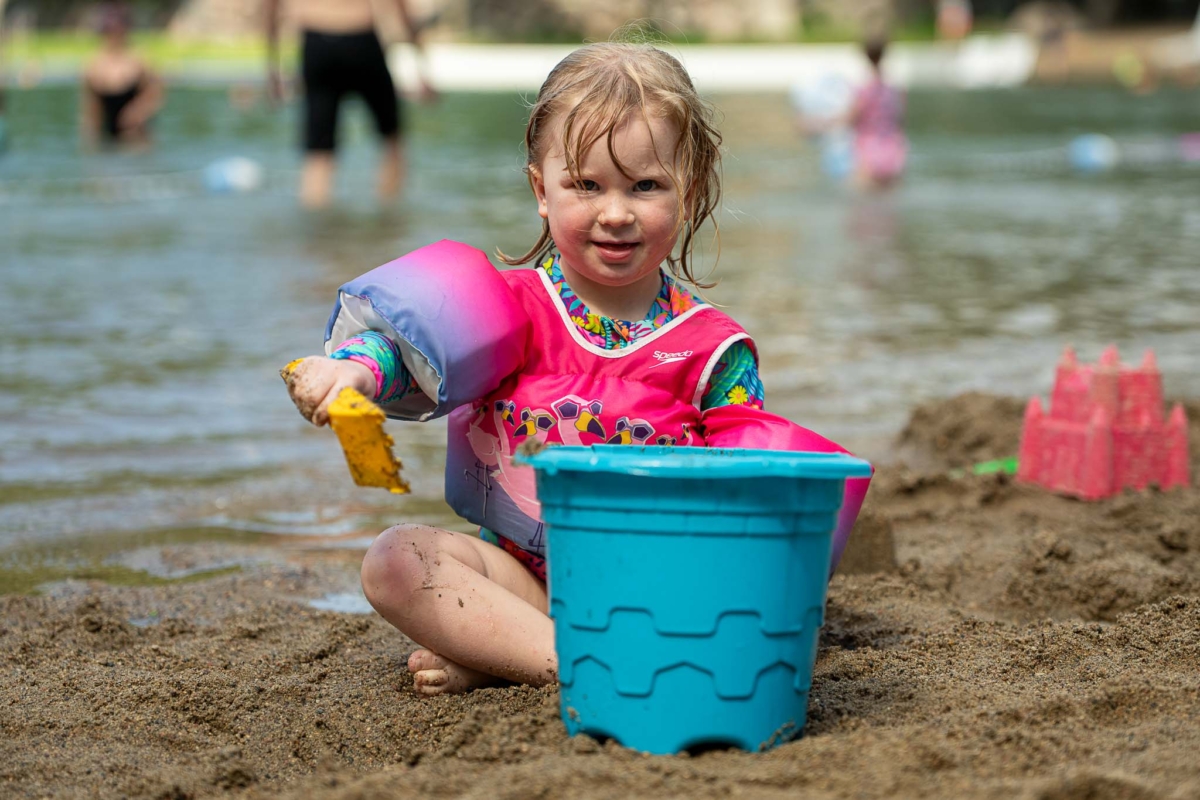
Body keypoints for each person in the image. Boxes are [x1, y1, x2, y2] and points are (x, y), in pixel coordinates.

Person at [283, 41, 777, 696]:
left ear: (689, 192)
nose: (615, 212)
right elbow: (409, 353)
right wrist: (354, 374)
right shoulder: (508, 308)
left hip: (655, 599)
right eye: (586, 185)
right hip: (523, 586)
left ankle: (521, 661)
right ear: (542, 190)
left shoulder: (713, 352)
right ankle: (556, 656)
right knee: (397, 561)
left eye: (646, 185)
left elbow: (755, 495)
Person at [264, 0, 435, 209]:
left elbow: (270, 6)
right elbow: (400, 6)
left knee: (318, 152)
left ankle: (316, 230)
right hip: (361, 41)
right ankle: (391, 222)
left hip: (316, 44)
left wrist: (272, 66)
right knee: (392, 140)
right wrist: (421, 65)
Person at [80, 2, 163, 149]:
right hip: (107, 134)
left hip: (136, 133)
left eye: (119, 27)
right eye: (111, 28)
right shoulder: (93, 65)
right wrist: (89, 140)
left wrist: (136, 112)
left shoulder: (139, 60)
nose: (115, 32)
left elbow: (156, 95)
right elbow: (91, 108)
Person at [848, 37, 908, 189]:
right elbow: (900, 119)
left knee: (863, 204)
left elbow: (852, 118)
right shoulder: (894, 89)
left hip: (868, 149)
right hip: (893, 148)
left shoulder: (863, 89)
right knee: (891, 205)